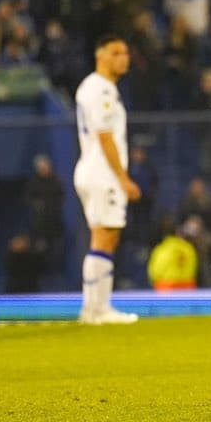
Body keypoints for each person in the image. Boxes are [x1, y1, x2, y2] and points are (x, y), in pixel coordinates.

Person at [73, 36, 141, 324]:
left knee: (104, 236)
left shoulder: (97, 87)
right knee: (105, 236)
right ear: (99, 55)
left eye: (125, 52)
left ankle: (93, 308)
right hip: (102, 173)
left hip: (92, 170)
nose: (123, 58)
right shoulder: (100, 88)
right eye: (116, 52)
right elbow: (104, 136)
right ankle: (98, 309)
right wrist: (123, 178)